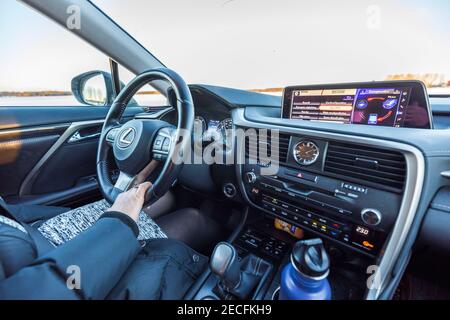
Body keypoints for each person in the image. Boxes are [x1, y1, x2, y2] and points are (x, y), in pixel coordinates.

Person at [0, 182, 207, 299]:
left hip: (45, 237)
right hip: (79, 276)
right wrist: (120, 220)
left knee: (164, 197)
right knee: (192, 219)